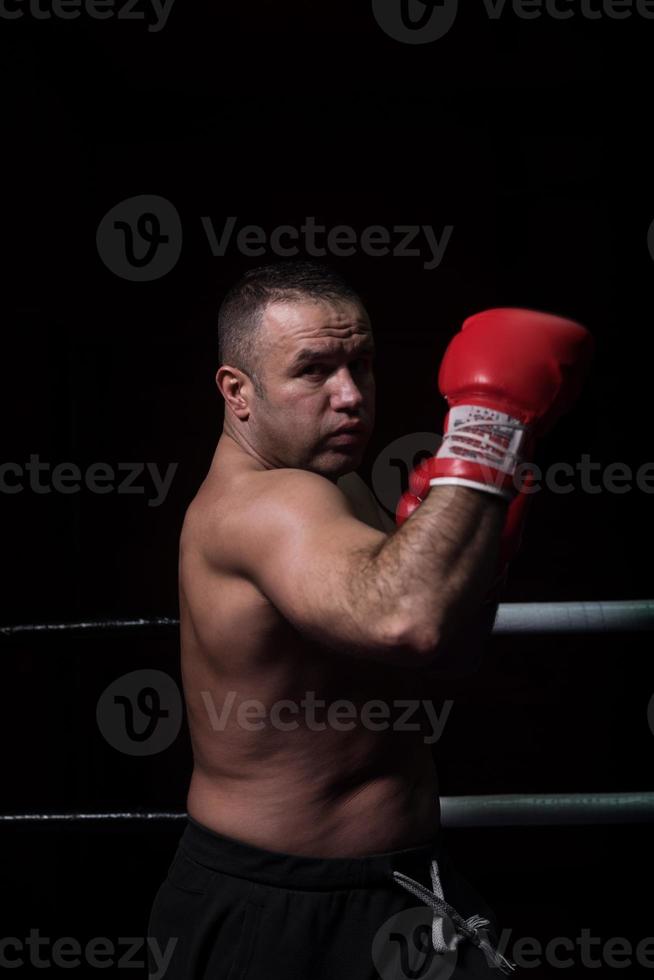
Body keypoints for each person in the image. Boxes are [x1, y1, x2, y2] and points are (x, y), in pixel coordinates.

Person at [147, 260, 593, 979]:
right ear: (238, 392)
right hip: (285, 908)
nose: (349, 396)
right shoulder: (266, 507)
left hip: (391, 883)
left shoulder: (333, 486)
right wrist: (486, 425)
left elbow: (438, 651)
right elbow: (405, 620)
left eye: (361, 364)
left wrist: (482, 559)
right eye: (313, 371)